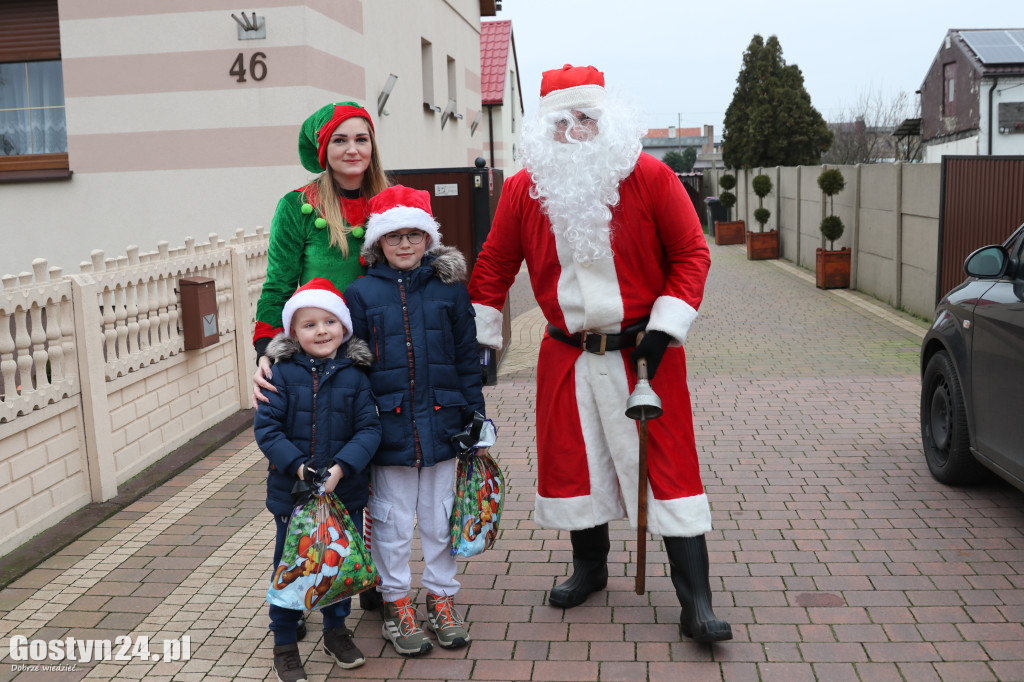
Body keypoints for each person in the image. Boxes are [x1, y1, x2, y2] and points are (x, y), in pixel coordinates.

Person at [468, 64, 732, 643]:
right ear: (545, 129)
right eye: (563, 121)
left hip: (645, 352)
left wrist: (667, 326)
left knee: (669, 469)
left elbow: (692, 253)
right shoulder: (523, 189)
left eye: (586, 117)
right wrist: (480, 341)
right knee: (574, 461)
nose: (576, 130)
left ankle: (697, 601)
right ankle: (589, 567)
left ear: (606, 120)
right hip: (566, 354)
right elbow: (493, 266)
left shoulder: (650, 176)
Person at [344, 185, 486, 656]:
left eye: (414, 235)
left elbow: (468, 358)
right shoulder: (361, 294)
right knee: (390, 520)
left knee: (439, 518)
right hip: (389, 430)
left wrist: (475, 416)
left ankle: (441, 599)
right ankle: (396, 603)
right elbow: (355, 368)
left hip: (445, 424)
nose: (404, 245)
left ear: (429, 239)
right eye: (394, 237)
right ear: (377, 244)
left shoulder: (449, 290)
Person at [253, 278, 382, 681]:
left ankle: (335, 630)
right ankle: (285, 642)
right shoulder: (280, 373)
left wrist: (340, 469)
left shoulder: (357, 376)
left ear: (344, 327)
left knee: (337, 564)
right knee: (291, 564)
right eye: (309, 324)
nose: (321, 330)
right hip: (293, 493)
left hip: (344, 493)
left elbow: (369, 430)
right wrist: (299, 468)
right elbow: (267, 430)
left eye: (329, 321)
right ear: (293, 332)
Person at [252, 101, 390, 406]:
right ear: (324, 150)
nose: (352, 149)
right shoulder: (296, 207)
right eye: (340, 140)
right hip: (324, 353)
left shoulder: (391, 203)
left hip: (388, 348)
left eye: (361, 139)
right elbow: (278, 285)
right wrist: (266, 349)